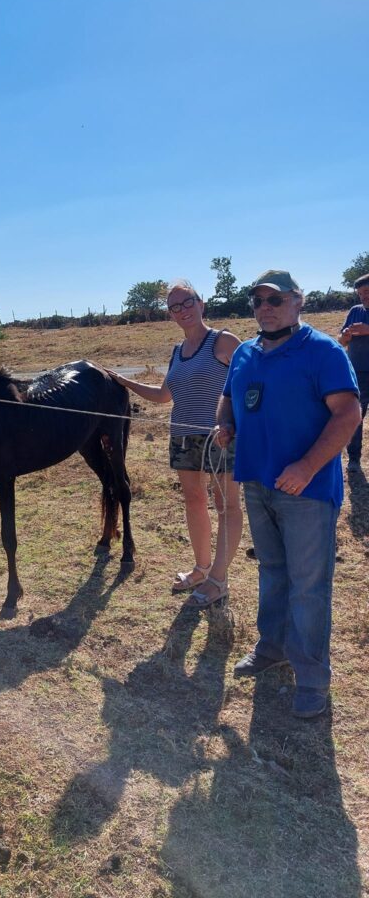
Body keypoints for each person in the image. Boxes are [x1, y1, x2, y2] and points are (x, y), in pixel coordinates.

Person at [216, 271, 359, 718]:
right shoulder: (244, 353)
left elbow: (348, 414)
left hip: (307, 490)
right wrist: (225, 423)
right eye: (258, 301)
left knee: (308, 586)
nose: (265, 308)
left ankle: (313, 680)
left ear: (298, 301)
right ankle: (272, 648)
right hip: (256, 482)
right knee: (273, 572)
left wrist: (307, 466)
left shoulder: (323, 351)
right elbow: (228, 399)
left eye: (275, 300)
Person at [110, 280, 242, 607]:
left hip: (220, 436)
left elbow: (251, 382)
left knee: (226, 505)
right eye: (174, 307)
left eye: (187, 302)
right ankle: (201, 568)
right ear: (170, 314)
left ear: (201, 304)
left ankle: (218, 580)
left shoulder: (224, 341)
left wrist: (234, 424)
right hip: (182, 436)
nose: (182, 310)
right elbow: (163, 395)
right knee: (194, 501)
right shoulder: (177, 352)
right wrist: (123, 381)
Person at [338, 272, 369, 473]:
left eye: (367, 291)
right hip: (358, 372)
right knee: (355, 417)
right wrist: (345, 336)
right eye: (360, 294)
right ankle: (354, 459)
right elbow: (340, 341)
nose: (363, 296)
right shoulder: (355, 311)